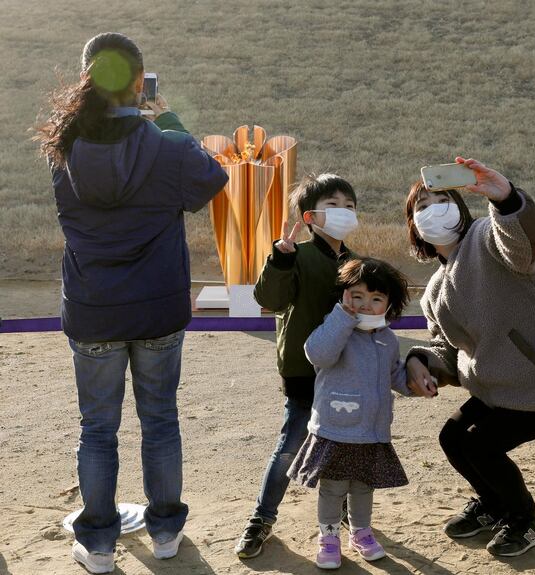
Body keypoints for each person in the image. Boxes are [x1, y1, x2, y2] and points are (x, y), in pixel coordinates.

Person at [35, 33, 228, 574]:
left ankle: (97, 543)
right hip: (158, 307)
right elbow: (213, 179)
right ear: (140, 83)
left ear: (86, 82)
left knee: (97, 428)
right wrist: (168, 122)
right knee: (160, 420)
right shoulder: (166, 146)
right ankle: (165, 532)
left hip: (93, 306)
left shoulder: (64, 148)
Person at [404, 157, 535, 558]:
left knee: (481, 446)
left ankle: (525, 519)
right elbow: (447, 352)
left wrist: (506, 199)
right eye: (420, 207)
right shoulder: (432, 290)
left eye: (440, 198)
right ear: (413, 226)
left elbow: (521, 243)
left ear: (460, 208)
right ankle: (494, 505)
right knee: (453, 437)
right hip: (505, 388)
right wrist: (419, 361)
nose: (431, 210)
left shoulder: (485, 237)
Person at [235, 173, 358, 558]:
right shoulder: (295, 255)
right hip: (303, 372)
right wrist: (280, 259)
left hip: (345, 371)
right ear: (310, 218)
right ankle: (261, 518)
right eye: (333, 206)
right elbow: (267, 297)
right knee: (290, 447)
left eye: (350, 206)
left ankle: (340, 513)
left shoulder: (355, 264)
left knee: (341, 446)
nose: (344, 213)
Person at [288, 257, 413, 569]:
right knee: (332, 489)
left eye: (376, 299)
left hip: (372, 431)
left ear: (389, 304)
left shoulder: (388, 338)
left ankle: (361, 533)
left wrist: (419, 383)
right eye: (357, 296)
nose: (366, 305)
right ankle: (328, 538)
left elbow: (395, 375)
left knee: (363, 487)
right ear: (344, 296)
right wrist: (342, 318)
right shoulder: (337, 331)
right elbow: (318, 353)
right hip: (335, 428)